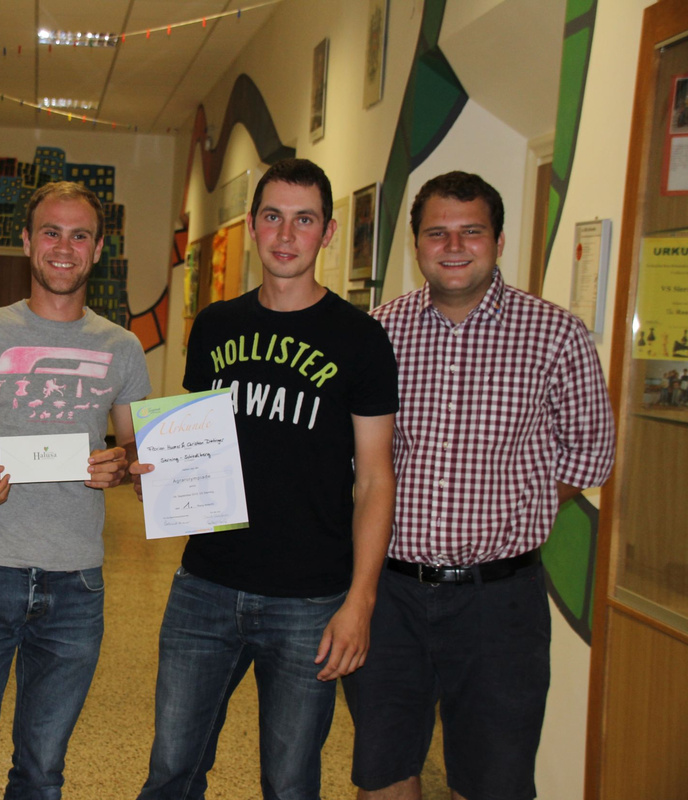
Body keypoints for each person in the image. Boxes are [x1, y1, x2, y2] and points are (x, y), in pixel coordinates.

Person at [132, 158, 399, 800]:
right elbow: (194, 442)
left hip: (310, 601)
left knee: (289, 783)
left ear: (328, 232)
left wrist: (360, 602)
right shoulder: (215, 326)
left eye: (304, 220)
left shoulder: (361, 340)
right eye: (273, 217)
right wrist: (158, 475)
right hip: (205, 585)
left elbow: (375, 480)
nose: (286, 234)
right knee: (171, 772)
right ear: (252, 226)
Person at [344, 171, 616, 800]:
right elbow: (346, 458)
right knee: (383, 772)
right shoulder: (376, 334)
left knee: (495, 781)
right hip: (389, 595)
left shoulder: (556, 335)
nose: (454, 246)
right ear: (416, 243)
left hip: (500, 603)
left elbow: (592, 454)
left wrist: (520, 502)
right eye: (437, 233)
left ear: (498, 240)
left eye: (472, 231)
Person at [0, 180, 152, 799]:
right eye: (51, 232)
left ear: (98, 250)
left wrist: (122, 466)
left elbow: (137, 451)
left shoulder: (122, 348)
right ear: (26, 241)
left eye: (79, 235)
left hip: (77, 583)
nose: (64, 247)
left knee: (42, 772)